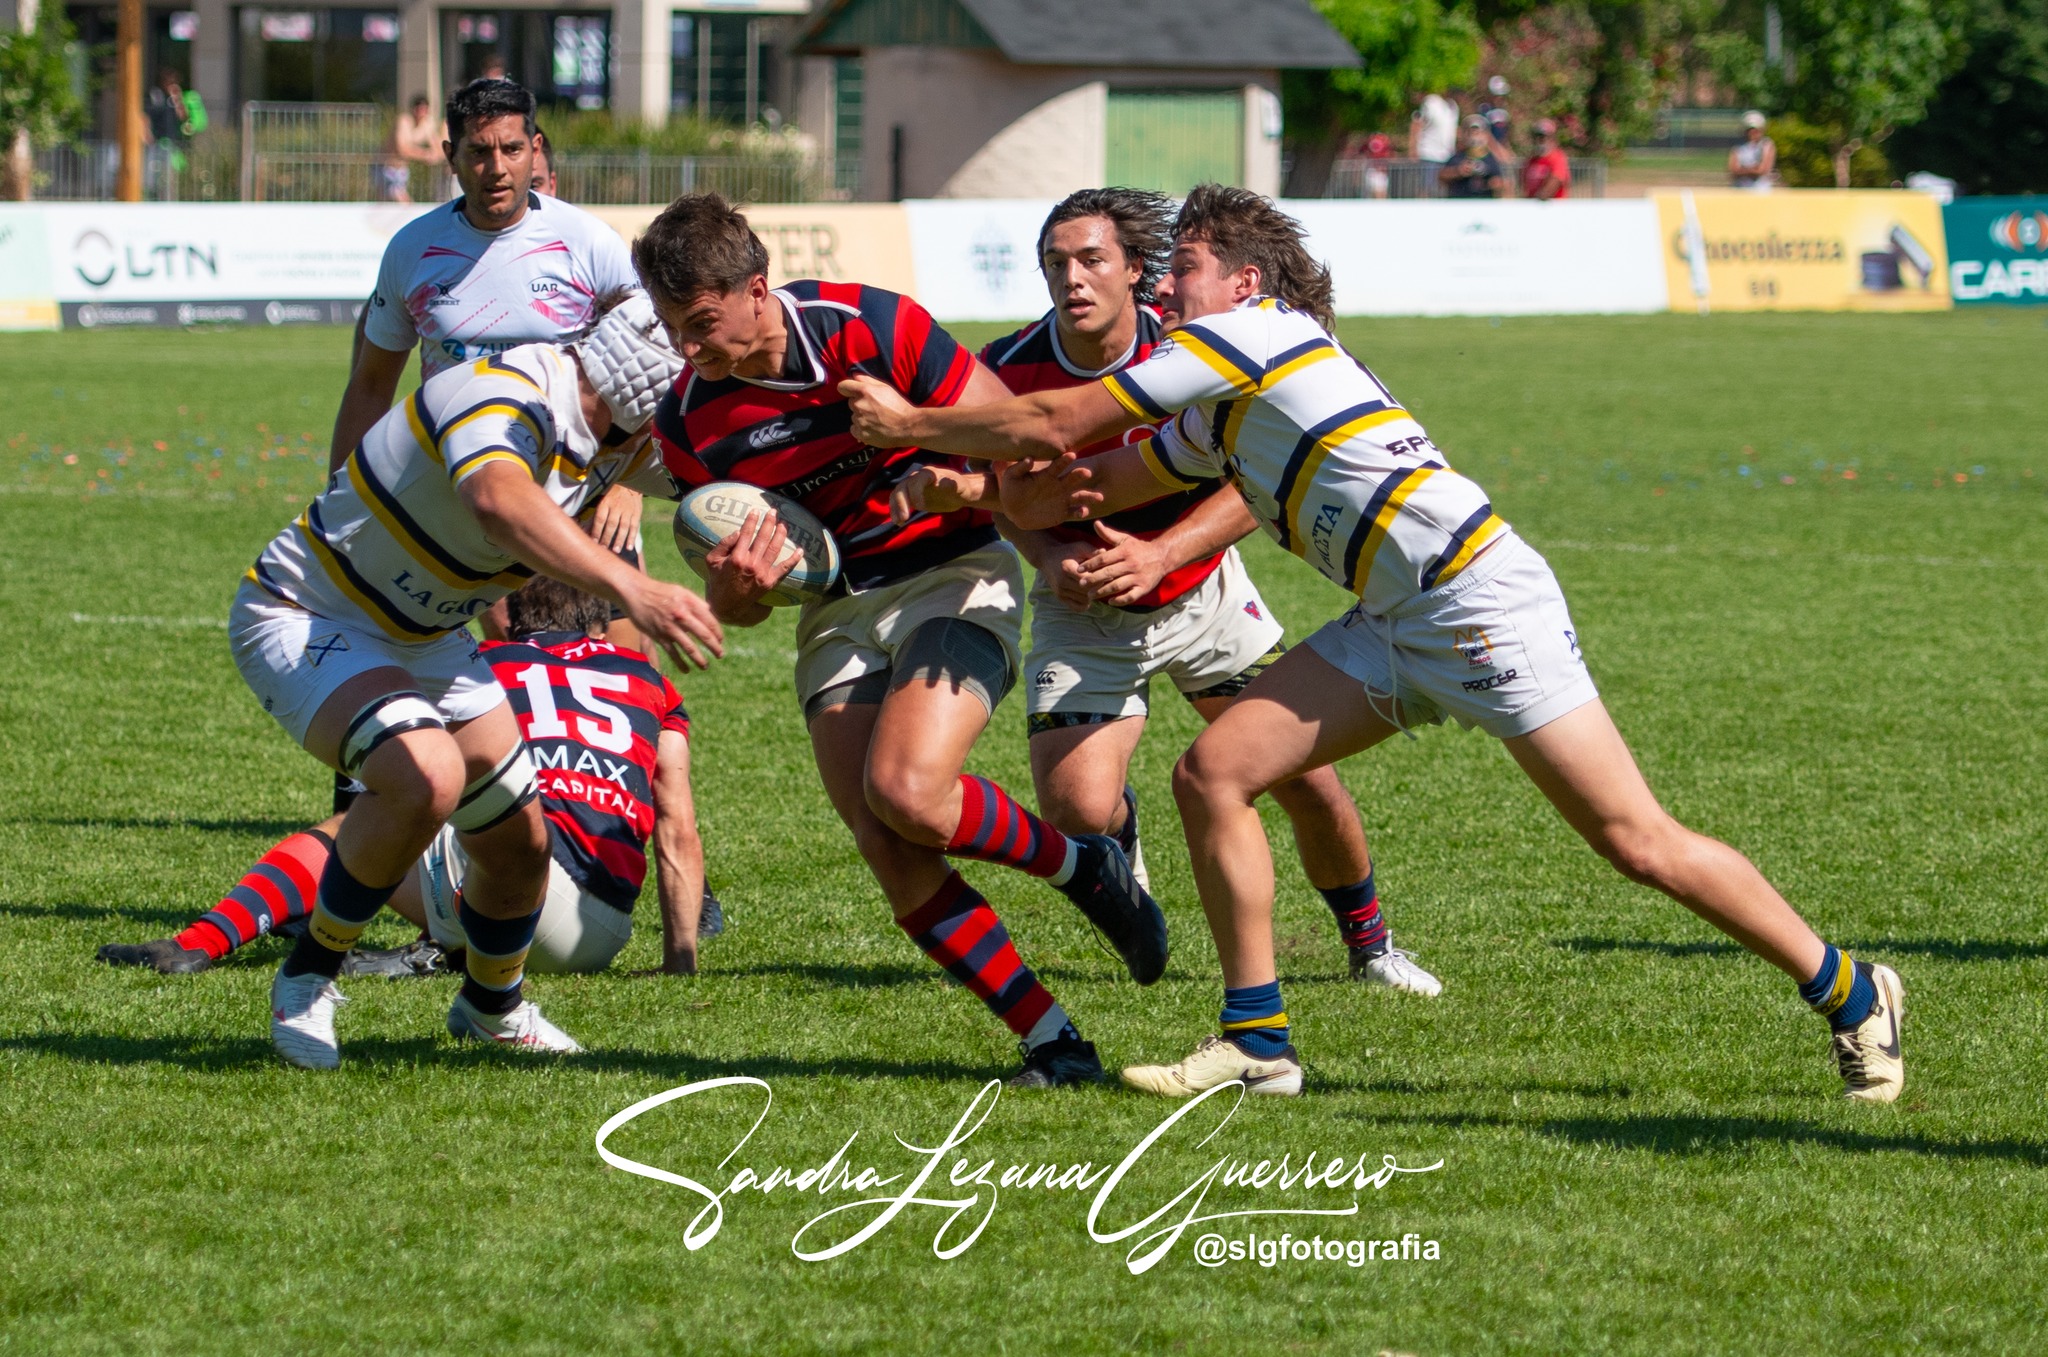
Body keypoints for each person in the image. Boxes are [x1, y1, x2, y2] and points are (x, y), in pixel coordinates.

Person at [838, 184, 1908, 1106]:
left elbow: (1060, 425)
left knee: (1635, 842)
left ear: (1248, 283)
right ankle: (1257, 1045)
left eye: (1189, 269)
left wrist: (919, 425)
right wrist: (970, 487)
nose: (1168, 291)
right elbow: (1092, 477)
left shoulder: (1253, 336)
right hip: (1392, 620)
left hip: (1476, 602)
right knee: (1212, 772)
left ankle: (1848, 988)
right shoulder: (1219, 404)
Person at [635, 192, 1166, 1089]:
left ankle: (1083, 868)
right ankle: (1055, 1041)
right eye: (672, 329)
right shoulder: (690, 422)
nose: (688, 351)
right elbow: (739, 613)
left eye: (701, 325)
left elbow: (1023, 440)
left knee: (908, 791)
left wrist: (920, 435)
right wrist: (735, 589)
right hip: (837, 607)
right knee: (889, 843)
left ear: (757, 289)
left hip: (952, 572)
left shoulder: (867, 325)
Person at [916, 187, 1439, 994]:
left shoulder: (1198, 346)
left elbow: (1257, 478)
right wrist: (1048, 554)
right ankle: (1123, 862)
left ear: (1136, 272)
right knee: (1076, 808)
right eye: (1056, 263)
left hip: (1205, 596)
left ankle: (1371, 944)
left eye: (1093, 259)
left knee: (1306, 779)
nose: (1073, 278)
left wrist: (1163, 553)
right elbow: (1001, 488)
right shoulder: (1008, 371)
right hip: (1085, 607)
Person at [236, 289, 723, 1069]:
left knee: (520, 842)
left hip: (422, 636)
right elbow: (497, 499)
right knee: (426, 776)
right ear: (643, 395)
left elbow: (717, 471)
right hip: (309, 613)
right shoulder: (509, 392)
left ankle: (492, 1007)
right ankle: (307, 977)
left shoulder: (612, 435)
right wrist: (633, 587)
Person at [99, 576, 719, 979]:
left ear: (506, 621)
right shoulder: (650, 681)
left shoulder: (485, 664)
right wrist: (678, 966)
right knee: (468, 820)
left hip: (516, 895)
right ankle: (441, 951)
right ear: (594, 627)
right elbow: (678, 829)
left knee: (358, 828)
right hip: (599, 935)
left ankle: (200, 943)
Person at [329, 77, 647, 813]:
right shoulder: (413, 251)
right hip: (464, 497)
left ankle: (652, 843)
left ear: (535, 149)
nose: (496, 167)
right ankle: (453, 839)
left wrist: (629, 484)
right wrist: (345, 495)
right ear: (450, 156)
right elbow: (371, 383)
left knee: (629, 661)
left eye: (510, 148)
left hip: (583, 487)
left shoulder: (586, 242)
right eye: (478, 152)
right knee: (500, 655)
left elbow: (658, 369)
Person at [378, 94, 440, 205]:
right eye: (419, 109)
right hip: (386, 166)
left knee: (393, 202)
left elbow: (436, 147)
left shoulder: (428, 123)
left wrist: (434, 155)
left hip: (402, 169)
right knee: (397, 199)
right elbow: (402, 149)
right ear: (413, 109)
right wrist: (425, 155)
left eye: (424, 110)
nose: (421, 113)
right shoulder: (404, 121)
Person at [1441, 115, 1506, 199]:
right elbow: (1442, 176)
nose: (1474, 136)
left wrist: (1493, 183)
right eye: (1471, 132)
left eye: (1477, 132)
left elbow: (1500, 180)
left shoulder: (1490, 158)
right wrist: (1458, 171)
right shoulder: (1458, 157)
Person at [1409, 91, 1459, 181]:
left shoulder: (1453, 106)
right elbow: (1417, 123)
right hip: (1429, 155)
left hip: (1446, 156)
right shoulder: (1431, 102)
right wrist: (1413, 149)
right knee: (1426, 190)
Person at [1521, 119, 1571, 201]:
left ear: (1551, 138)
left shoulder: (1557, 158)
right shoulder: (1531, 161)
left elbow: (1553, 184)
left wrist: (1536, 200)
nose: (1539, 141)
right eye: (1536, 137)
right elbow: (1524, 188)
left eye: (1543, 137)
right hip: (1534, 208)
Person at [1730, 111, 1776, 189]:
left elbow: (1762, 170)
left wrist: (1743, 170)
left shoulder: (1766, 144)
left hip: (1760, 190)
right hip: (1740, 188)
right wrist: (1752, 169)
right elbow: (1733, 170)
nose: (1752, 132)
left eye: (1755, 130)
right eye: (1749, 129)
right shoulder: (1738, 146)